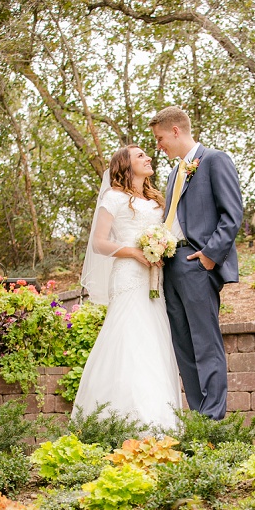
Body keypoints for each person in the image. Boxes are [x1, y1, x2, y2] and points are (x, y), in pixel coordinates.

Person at [73, 145, 183, 433]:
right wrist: (135, 252)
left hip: (155, 280)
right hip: (128, 277)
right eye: (140, 156)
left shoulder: (157, 199)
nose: (148, 158)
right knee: (128, 343)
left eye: (147, 155)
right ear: (125, 165)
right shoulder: (113, 198)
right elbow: (99, 242)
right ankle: (119, 421)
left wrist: (163, 246)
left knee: (154, 345)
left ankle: (160, 423)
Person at [150, 106, 244, 420]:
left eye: (160, 138)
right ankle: (199, 418)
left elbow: (232, 216)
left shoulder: (216, 160)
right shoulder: (174, 172)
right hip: (171, 265)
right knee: (184, 346)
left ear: (176, 130)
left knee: (205, 343)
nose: (158, 146)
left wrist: (208, 256)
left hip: (196, 262)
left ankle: (214, 420)